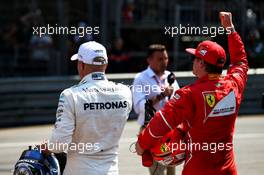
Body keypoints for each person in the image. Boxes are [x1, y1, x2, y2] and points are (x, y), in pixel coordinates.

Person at [136, 12, 248, 175]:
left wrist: (142, 144)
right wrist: (230, 30)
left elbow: (161, 122)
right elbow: (240, 61)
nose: (193, 61)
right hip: (228, 170)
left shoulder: (189, 94)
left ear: (202, 63)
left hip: (197, 170)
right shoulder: (234, 84)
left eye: (195, 58)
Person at [41, 41, 132, 175]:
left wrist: (46, 148)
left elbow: (59, 144)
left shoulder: (70, 95)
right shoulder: (125, 92)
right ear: (105, 64)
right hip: (111, 171)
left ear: (81, 64)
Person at [132, 44, 180, 175]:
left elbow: (179, 101)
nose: (164, 62)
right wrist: (160, 96)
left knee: (172, 170)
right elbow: (139, 107)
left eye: (166, 58)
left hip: (171, 130)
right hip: (150, 130)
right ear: (149, 60)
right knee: (156, 172)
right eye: (160, 59)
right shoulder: (140, 79)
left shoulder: (170, 76)